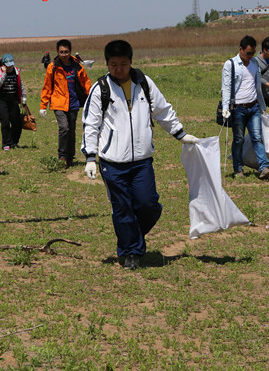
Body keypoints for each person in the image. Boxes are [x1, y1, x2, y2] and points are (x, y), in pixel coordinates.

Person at [82, 40, 199, 270]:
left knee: (149, 205)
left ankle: (131, 237)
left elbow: (162, 110)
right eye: (113, 64)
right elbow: (90, 124)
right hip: (112, 163)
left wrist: (180, 133)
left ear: (131, 62)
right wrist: (89, 157)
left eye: (123, 64)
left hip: (142, 161)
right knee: (123, 208)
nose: (118, 69)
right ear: (106, 64)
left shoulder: (144, 83)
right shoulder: (100, 89)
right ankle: (131, 254)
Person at [221, 35, 269, 179]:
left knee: (257, 138)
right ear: (241, 49)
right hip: (238, 108)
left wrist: (262, 107)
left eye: (253, 53)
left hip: (254, 108)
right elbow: (226, 87)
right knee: (238, 139)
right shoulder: (231, 65)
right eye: (248, 53)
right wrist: (226, 107)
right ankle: (238, 168)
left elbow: (257, 86)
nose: (251, 56)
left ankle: (264, 167)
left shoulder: (254, 64)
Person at [40, 39, 92, 168]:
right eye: (61, 52)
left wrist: (92, 97)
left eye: (66, 51)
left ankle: (70, 157)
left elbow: (86, 82)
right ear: (57, 52)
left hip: (73, 103)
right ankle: (62, 156)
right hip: (58, 102)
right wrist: (43, 105)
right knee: (64, 128)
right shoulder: (53, 67)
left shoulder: (77, 65)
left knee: (72, 131)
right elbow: (47, 87)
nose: (64, 54)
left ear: (70, 51)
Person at [0, 53, 27, 150]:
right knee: (5, 122)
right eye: (7, 65)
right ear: (3, 64)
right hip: (1, 100)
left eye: (11, 65)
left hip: (13, 100)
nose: (9, 67)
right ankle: (6, 143)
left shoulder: (16, 71)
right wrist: (4, 73)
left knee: (17, 122)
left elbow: (20, 85)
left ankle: (14, 142)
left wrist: (23, 97)